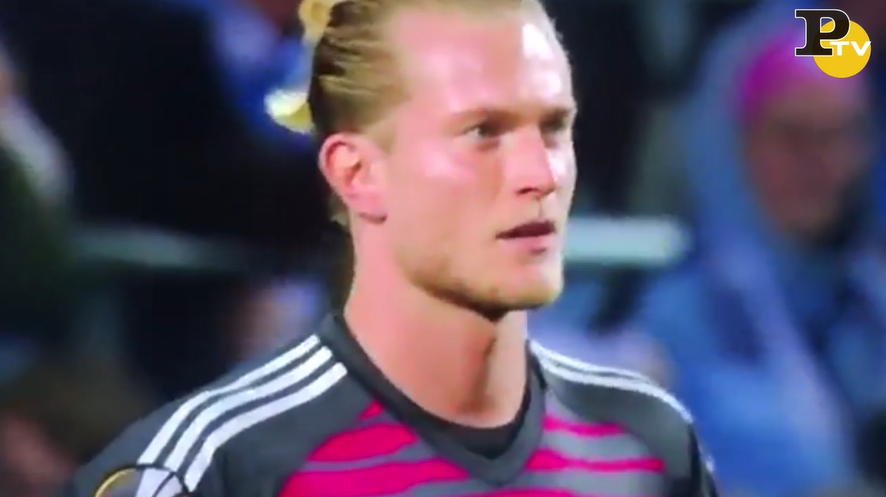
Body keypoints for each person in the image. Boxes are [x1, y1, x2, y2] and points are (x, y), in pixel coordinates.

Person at [58, 1, 717, 496]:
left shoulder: (644, 436)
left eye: (551, 128)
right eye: (482, 132)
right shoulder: (212, 456)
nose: (535, 174)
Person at [641, 26, 884, 497]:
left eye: (841, 135)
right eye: (795, 137)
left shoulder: (868, 301)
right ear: (743, 142)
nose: (821, 163)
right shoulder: (679, 314)